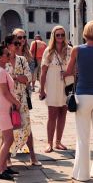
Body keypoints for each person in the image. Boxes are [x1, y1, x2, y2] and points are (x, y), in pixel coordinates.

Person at [65, 20, 93, 181]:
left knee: (82, 137)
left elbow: (69, 71)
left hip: (82, 95)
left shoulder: (76, 50)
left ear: (84, 33)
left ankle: (82, 174)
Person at [0, 45, 21, 180]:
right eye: (7, 55)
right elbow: (5, 93)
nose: (9, 56)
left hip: (4, 109)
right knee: (9, 139)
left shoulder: (1, 70)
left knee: (6, 139)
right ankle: (1, 170)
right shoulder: (1, 72)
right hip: (3, 110)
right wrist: (16, 102)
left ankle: (4, 167)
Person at [39, 25, 73, 153]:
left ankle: (58, 141)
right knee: (52, 115)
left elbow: (76, 69)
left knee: (63, 114)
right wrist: (42, 89)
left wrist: (68, 73)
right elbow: (43, 72)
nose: (60, 37)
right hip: (52, 84)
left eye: (62, 35)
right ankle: (49, 143)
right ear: (53, 36)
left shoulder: (70, 50)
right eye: (57, 35)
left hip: (66, 84)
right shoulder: (48, 51)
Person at [12, 29, 41, 166]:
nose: (22, 39)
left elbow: (28, 78)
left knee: (26, 124)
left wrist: (19, 78)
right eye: (19, 37)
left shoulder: (28, 55)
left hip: (24, 93)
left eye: (24, 37)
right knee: (10, 123)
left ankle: (33, 156)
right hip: (10, 94)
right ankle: (8, 152)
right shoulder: (9, 54)